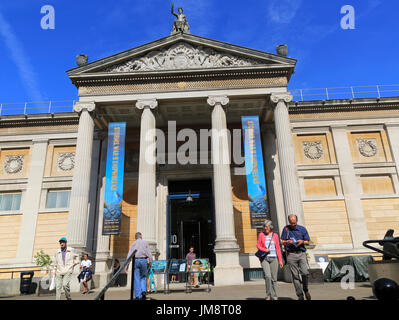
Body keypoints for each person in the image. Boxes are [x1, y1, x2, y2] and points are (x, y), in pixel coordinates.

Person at [281, 214, 312, 300]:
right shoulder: (286, 229)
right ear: (289, 222)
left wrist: (302, 241)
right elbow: (282, 241)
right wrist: (287, 242)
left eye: (294, 223)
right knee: (295, 276)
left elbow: (307, 241)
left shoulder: (302, 229)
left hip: (301, 253)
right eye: (291, 223)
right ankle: (300, 295)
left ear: (297, 221)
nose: (293, 225)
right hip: (291, 254)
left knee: (305, 272)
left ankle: (305, 289)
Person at [257, 220, 283, 300]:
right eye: (264, 226)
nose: (265, 228)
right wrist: (265, 250)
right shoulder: (261, 234)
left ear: (270, 227)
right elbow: (258, 245)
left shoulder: (275, 235)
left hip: (274, 258)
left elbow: (278, 248)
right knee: (268, 276)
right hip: (264, 258)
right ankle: (268, 295)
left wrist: (280, 260)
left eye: (267, 226)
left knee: (274, 278)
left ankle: (275, 296)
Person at [125, 232, 153, 300]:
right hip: (143, 260)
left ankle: (138, 295)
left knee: (136, 278)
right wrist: (150, 263)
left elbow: (129, 255)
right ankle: (143, 291)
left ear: (135, 237)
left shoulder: (133, 244)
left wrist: (127, 266)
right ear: (141, 236)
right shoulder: (145, 243)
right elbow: (149, 254)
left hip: (136, 260)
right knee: (143, 277)